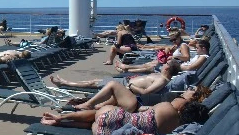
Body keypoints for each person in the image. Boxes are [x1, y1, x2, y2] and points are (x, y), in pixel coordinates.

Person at [40, 87, 210, 135]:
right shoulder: (174, 131)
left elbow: (148, 112)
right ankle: (61, 122)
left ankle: (61, 117)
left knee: (100, 114)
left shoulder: (169, 107)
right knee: (94, 124)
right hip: (104, 133)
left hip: (115, 117)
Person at [49, 59, 182, 101]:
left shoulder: (162, 80)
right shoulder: (162, 76)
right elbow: (149, 68)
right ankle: (65, 82)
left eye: (166, 63)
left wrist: (130, 85)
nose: (164, 64)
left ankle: (64, 83)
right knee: (95, 81)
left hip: (125, 86)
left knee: (92, 83)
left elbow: (145, 92)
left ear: (168, 68)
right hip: (125, 82)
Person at [116, 39, 209, 74]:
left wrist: (175, 65)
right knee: (151, 65)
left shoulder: (203, 57)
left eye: (197, 48)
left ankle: (127, 69)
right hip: (177, 65)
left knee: (151, 67)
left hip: (177, 68)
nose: (196, 50)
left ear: (204, 48)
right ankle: (126, 68)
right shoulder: (200, 55)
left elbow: (190, 68)